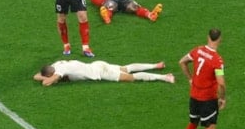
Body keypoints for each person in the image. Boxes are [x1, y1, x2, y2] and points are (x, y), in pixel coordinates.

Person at [176, 29, 226, 129]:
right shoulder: (217, 60)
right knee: (210, 127)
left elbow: (182, 62)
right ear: (219, 39)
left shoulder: (197, 50)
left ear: (208, 37)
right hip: (208, 99)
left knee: (193, 123)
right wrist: (222, 98)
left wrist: (190, 79)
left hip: (194, 96)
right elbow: (221, 83)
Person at [34, 59, 174, 86]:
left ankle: (165, 77)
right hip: (97, 64)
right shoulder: (56, 64)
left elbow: (46, 83)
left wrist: (48, 79)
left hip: (101, 72)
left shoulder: (60, 70)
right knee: (126, 68)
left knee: (130, 77)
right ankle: (156, 65)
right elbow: (36, 76)